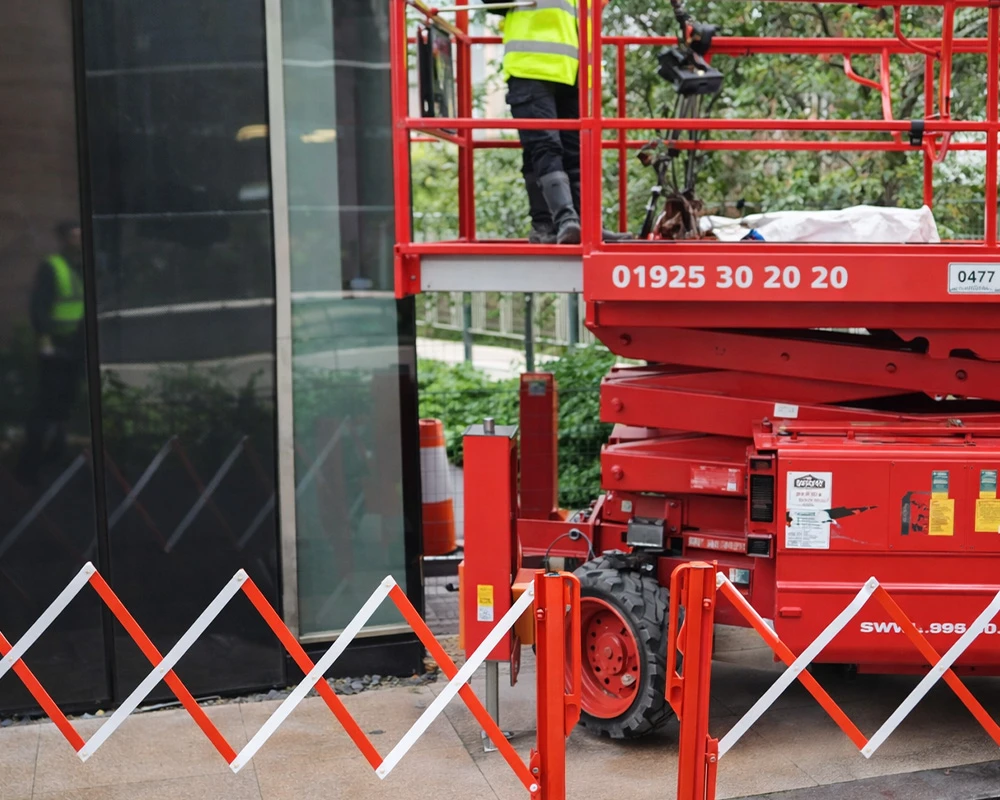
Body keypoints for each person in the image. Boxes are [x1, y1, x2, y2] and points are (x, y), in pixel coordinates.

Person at [487, 0, 631, 244]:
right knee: (545, 145)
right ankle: (565, 220)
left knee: (574, 150)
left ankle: (582, 224)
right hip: (530, 67)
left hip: (572, 72)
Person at [15, 221, 86, 486]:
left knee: (65, 406)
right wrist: (45, 342)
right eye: (74, 236)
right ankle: (28, 467)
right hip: (56, 347)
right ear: (64, 239)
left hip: (78, 346)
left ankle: (56, 458)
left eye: (81, 235)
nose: (79, 240)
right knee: (46, 407)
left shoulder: (86, 264)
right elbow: (39, 307)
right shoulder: (53, 266)